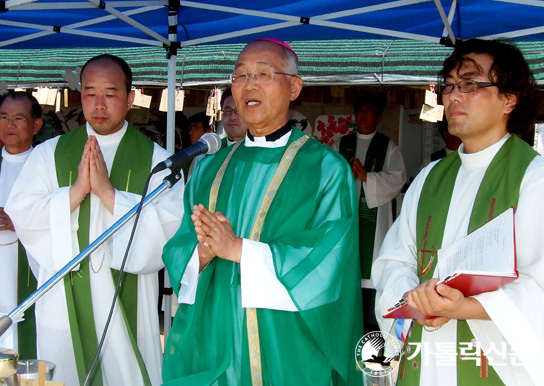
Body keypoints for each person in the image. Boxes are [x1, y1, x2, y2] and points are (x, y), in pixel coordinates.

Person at [162, 37, 363, 385]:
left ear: (294, 87)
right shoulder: (209, 168)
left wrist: (237, 249)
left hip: (287, 341)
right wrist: (202, 254)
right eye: (240, 76)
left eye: (263, 74)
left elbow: (330, 259)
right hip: (218, 334)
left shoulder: (326, 168)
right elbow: (179, 246)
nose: (249, 84)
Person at [372, 39, 544, 385]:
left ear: (509, 99)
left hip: (492, 359)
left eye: (470, 84)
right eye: (448, 85)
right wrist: (415, 299)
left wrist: (461, 308)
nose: (453, 96)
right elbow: (394, 262)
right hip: (425, 349)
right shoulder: (429, 176)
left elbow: (538, 286)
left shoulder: (533, 177)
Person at [6, 54, 184, 386]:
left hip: (128, 302)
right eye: (89, 93)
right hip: (63, 301)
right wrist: (75, 193)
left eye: (110, 93)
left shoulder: (160, 163)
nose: (98, 104)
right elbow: (24, 214)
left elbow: (169, 232)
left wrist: (108, 193)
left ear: (130, 98)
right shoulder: (50, 154)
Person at [334, 95, 406, 333]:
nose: (363, 115)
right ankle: (347, 327)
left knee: (371, 273)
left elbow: (398, 178)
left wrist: (369, 178)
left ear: (378, 117)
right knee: (346, 275)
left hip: (375, 224)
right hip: (345, 218)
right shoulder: (341, 144)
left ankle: (371, 328)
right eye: (360, 111)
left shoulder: (388, 146)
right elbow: (329, 176)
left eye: (369, 111)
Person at [0, 91, 42, 358]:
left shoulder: (47, 165)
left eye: (18, 118)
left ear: (36, 125)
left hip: (29, 269)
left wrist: (20, 223)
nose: (10, 124)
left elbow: (64, 214)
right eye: (4, 117)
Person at [185, 111, 212, 179]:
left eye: (196, 128)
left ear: (209, 131)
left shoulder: (215, 156)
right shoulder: (191, 155)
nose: (190, 132)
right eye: (191, 128)